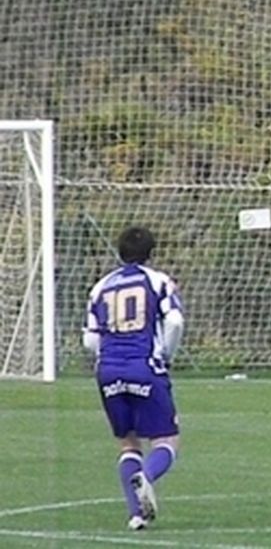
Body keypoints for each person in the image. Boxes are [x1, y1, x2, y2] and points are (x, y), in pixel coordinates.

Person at [83, 227, 185, 531]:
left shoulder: (101, 287)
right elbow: (175, 321)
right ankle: (148, 477)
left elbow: (89, 340)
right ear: (151, 253)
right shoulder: (157, 281)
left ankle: (136, 515)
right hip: (145, 367)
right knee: (167, 439)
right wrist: (166, 354)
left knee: (128, 443)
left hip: (108, 371)